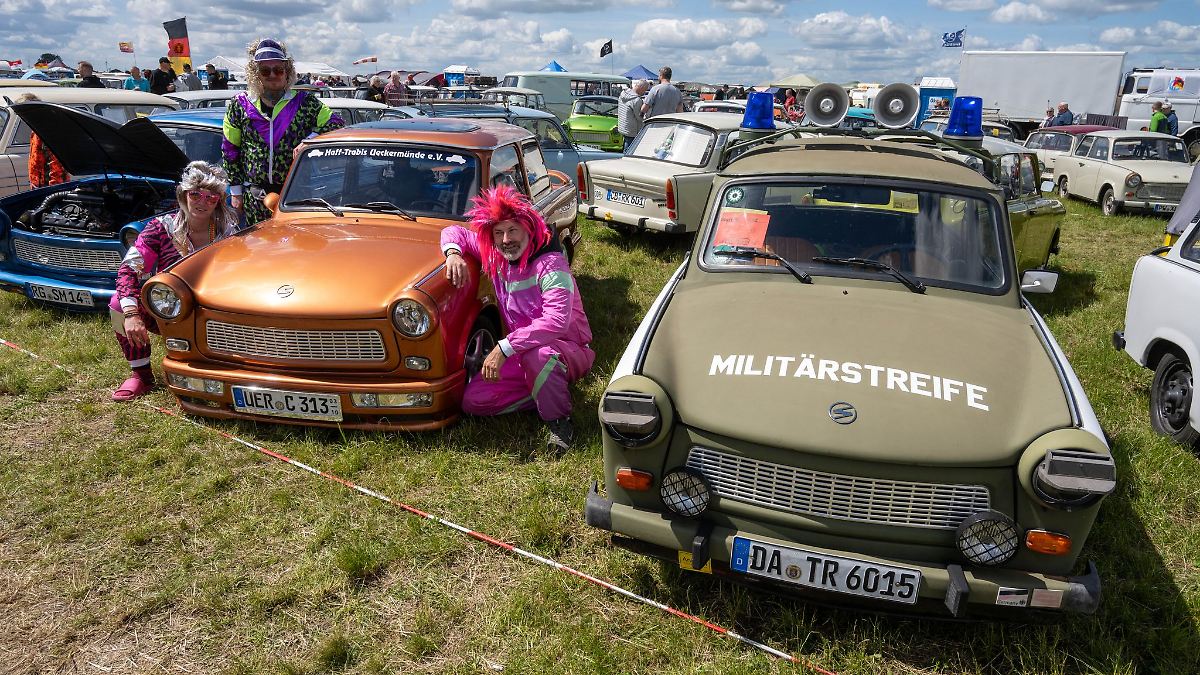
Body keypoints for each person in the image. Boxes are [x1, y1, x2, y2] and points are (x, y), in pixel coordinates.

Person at [440, 184, 594, 453]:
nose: (506, 239)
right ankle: (543, 390)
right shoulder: (497, 254)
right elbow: (454, 232)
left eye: (512, 230)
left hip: (566, 349)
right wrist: (453, 253)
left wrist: (504, 347)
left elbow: (557, 321)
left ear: (527, 228)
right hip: (521, 351)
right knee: (473, 401)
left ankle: (559, 422)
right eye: (498, 232)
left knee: (540, 357)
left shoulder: (551, 264)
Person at [109, 161, 242, 401]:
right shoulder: (160, 229)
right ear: (183, 195)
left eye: (211, 198)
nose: (202, 202)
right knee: (119, 304)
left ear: (219, 202)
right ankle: (141, 374)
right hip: (169, 311)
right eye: (196, 195)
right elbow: (128, 270)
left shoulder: (228, 233)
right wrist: (131, 315)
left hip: (214, 311)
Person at [221, 38, 345, 225]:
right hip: (255, 198)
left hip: (295, 196)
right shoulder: (240, 105)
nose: (273, 75)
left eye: (278, 70)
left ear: (287, 72)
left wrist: (310, 140)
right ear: (256, 74)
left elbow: (337, 122)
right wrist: (236, 192)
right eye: (265, 70)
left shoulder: (305, 103)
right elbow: (230, 150)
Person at [18, 93, 67, 188]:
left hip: (49, 187)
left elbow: (56, 165)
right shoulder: (35, 130)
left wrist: (53, 189)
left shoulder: (48, 131)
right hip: (38, 185)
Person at [618, 79, 649, 151]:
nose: (644, 93)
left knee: (626, 144)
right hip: (632, 129)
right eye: (644, 90)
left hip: (623, 126)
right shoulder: (637, 100)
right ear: (641, 88)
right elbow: (639, 117)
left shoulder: (623, 94)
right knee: (630, 149)